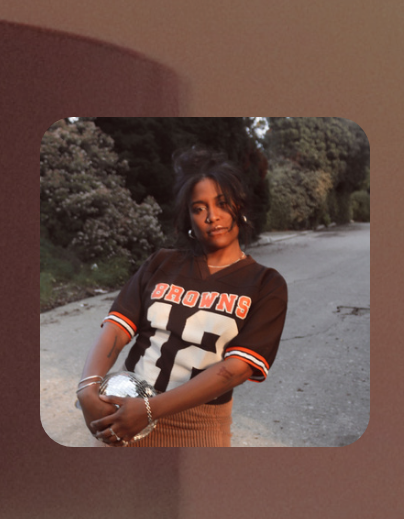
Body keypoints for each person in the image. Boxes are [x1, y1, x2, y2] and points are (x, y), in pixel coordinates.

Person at [77, 146, 288, 447]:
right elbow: (117, 328)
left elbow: (236, 369)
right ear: (188, 218)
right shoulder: (162, 263)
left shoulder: (266, 284)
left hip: (197, 427)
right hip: (124, 410)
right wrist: (87, 388)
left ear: (239, 206)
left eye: (222, 203)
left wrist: (150, 411)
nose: (212, 217)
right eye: (199, 208)